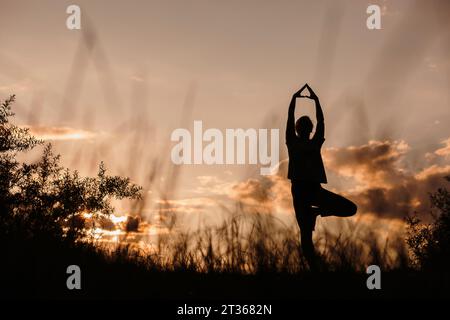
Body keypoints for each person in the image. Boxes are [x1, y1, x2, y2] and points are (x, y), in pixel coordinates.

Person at [286, 83, 357, 269]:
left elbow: (319, 123)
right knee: (305, 235)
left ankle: (316, 212)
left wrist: (303, 100)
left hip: (312, 190)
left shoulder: (313, 142)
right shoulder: (292, 142)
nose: (305, 128)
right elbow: (298, 118)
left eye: (306, 126)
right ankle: (315, 270)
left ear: (308, 129)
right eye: (304, 126)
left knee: (350, 209)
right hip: (301, 191)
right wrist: (308, 100)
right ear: (301, 128)